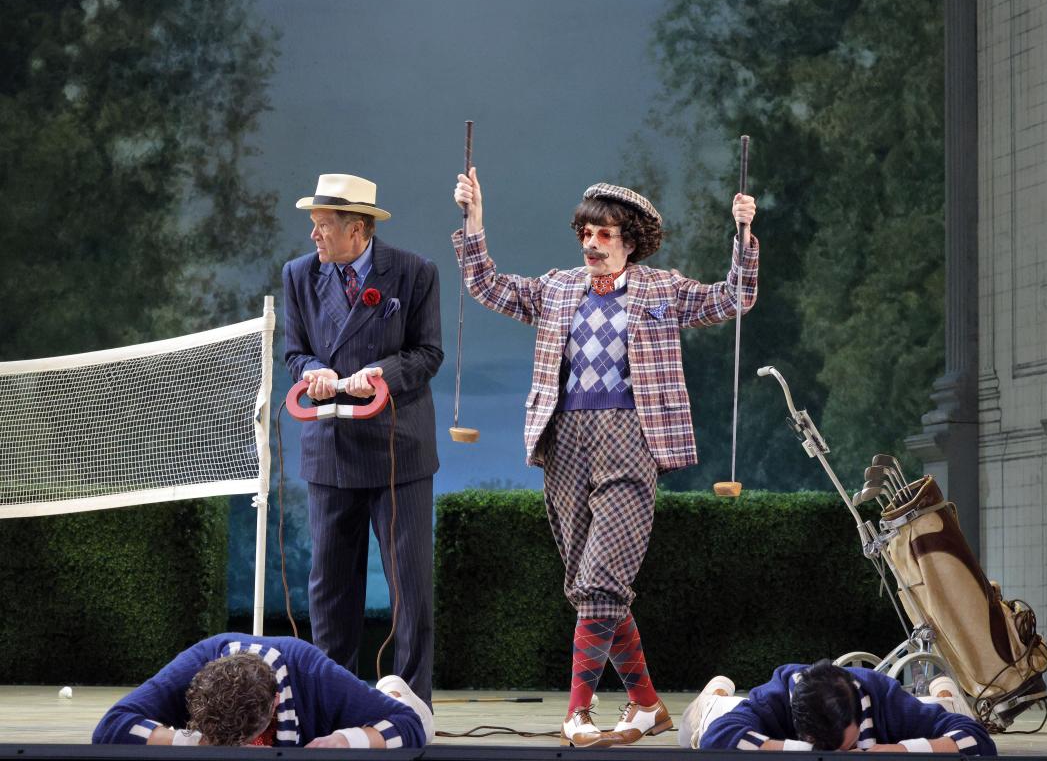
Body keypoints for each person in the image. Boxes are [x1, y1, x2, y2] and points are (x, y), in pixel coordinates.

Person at [452, 168, 758, 747]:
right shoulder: (557, 288)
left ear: (630, 241)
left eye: (605, 235)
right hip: (564, 439)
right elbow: (486, 285)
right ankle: (646, 707)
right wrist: (475, 219)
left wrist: (743, 237)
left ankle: (578, 714)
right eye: (585, 234)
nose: (591, 244)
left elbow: (733, 297)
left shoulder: (661, 289)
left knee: (600, 579)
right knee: (588, 586)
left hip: (630, 438)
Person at [283, 173, 443, 702]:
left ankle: (413, 704)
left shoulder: (415, 273)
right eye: (313, 224)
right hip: (330, 447)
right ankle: (335, 700)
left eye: (323, 225)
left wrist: (379, 374)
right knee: (330, 587)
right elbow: (295, 352)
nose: (314, 235)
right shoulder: (298, 275)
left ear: (357, 229)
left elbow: (428, 354)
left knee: (410, 587)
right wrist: (313, 372)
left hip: (399, 449)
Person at [92, 633, 433, 748]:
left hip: (396, 708)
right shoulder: (194, 664)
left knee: (421, 720)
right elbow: (110, 727)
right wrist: (192, 741)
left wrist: (346, 740)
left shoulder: (314, 672)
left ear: (275, 703)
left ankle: (392, 689)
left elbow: (408, 726)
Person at [678, 660, 996, 754]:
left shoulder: (887, 699)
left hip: (915, 707)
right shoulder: (773, 699)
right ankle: (718, 686)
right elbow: (716, 737)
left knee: (944, 705)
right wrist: (804, 752)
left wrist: (895, 750)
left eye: (849, 746)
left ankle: (941, 687)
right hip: (730, 707)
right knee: (701, 719)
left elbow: (977, 740)